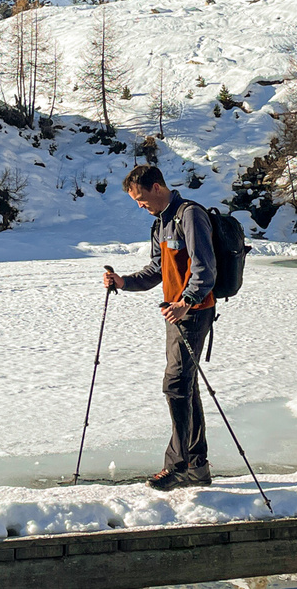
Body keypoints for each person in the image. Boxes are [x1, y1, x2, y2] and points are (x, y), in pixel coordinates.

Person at [104, 164, 215, 490]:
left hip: (193, 312)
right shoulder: (161, 225)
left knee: (176, 385)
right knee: (185, 387)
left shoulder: (190, 216)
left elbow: (204, 269)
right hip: (175, 313)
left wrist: (187, 301)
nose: (140, 205)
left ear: (156, 187)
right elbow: (157, 270)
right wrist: (123, 282)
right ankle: (197, 465)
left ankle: (179, 466)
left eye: (140, 198)